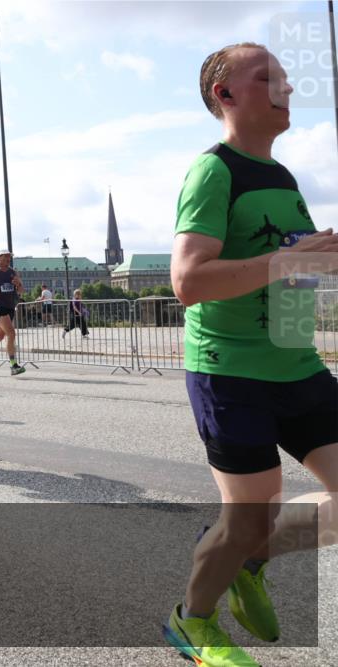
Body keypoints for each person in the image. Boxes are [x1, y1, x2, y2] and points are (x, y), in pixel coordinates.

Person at [163, 43, 338, 667]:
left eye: (287, 78)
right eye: (267, 77)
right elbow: (189, 282)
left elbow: (293, 276)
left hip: (296, 367)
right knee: (247, 518)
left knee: (255, 532)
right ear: (225, 94)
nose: (285, 87)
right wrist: (293, 259)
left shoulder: (285, 178)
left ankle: (251, 557)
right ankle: (193, 622)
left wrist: (318, 263)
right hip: (230, 372)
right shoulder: (214, 171)